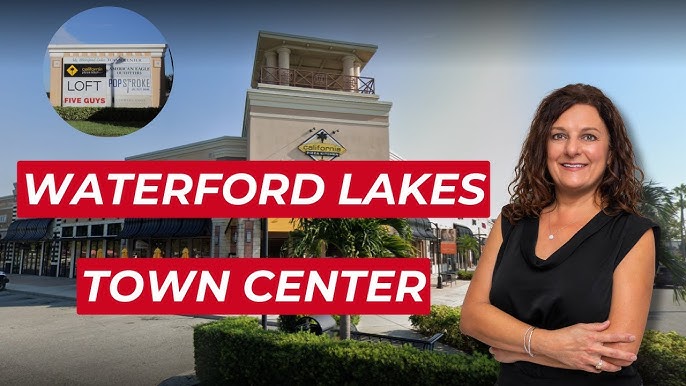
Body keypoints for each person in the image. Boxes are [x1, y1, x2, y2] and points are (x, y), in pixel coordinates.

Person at [460, 84, 659, 386]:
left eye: (589, 136)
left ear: (611, 150)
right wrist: (547, 343)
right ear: (543, 146)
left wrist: (517, 350)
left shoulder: (632, 233)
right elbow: (472, 317)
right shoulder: (511, 221)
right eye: (559, 135)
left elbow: (617, 353)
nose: (572, 149)